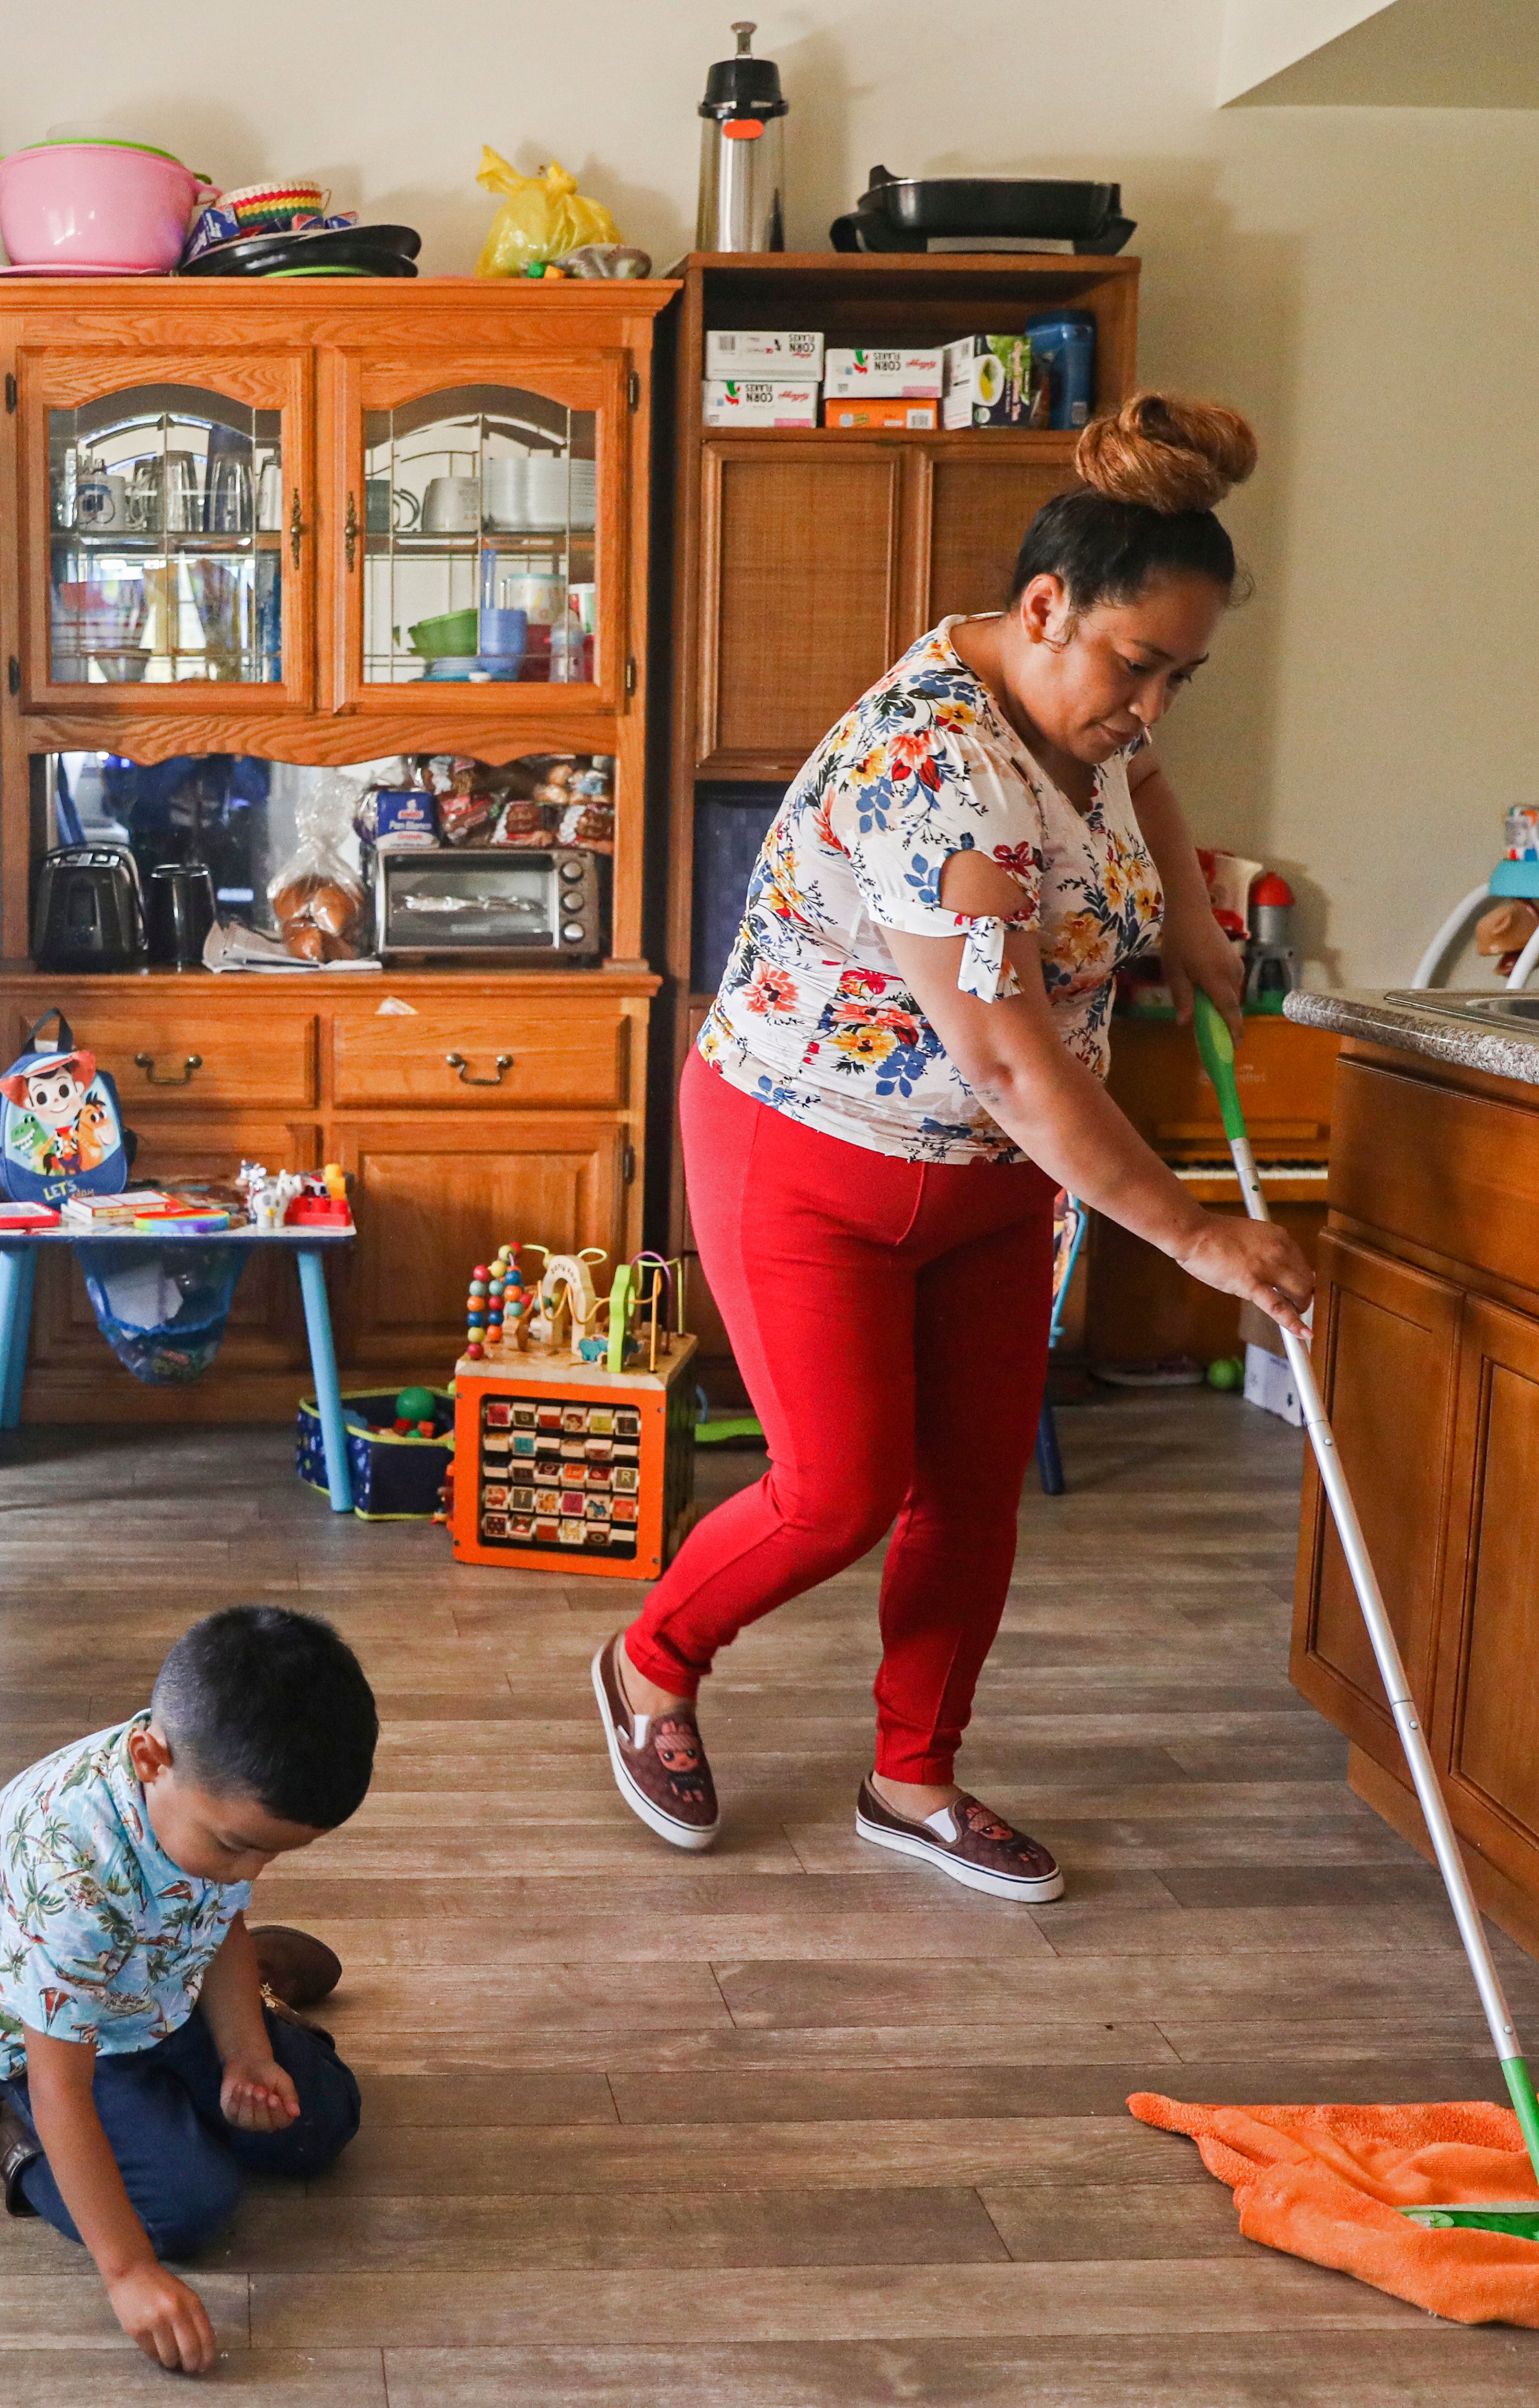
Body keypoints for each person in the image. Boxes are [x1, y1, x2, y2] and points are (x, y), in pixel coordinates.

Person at [591, 393, 1319, 1899]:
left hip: (994, 1185)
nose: (1155, 707)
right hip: (808, 1152)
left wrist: (1188, 919)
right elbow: (1003, 1058)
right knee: (836, 1490)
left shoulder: (1079, 712)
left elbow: (1146, 783)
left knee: (975, 1489)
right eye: (1138, 667)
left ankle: (912, 1778)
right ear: (1045, 606)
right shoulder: (940, 773)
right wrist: (1195, 1239)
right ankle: (652, 1660)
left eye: (1184, 674)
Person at [0, 1605, 373, 2375]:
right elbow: (66, 2087)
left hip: (153, 1980)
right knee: (184, 2209)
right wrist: (127, 2274)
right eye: (238, 1845)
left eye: (273, 1855)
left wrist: (247, 2056)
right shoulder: (73, 1878)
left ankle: (251, 1987)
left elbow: (218, 1905)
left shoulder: (198, 1801)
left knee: (323, 2116)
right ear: (149, 1755)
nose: (252, 1873)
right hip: (48, 2040)